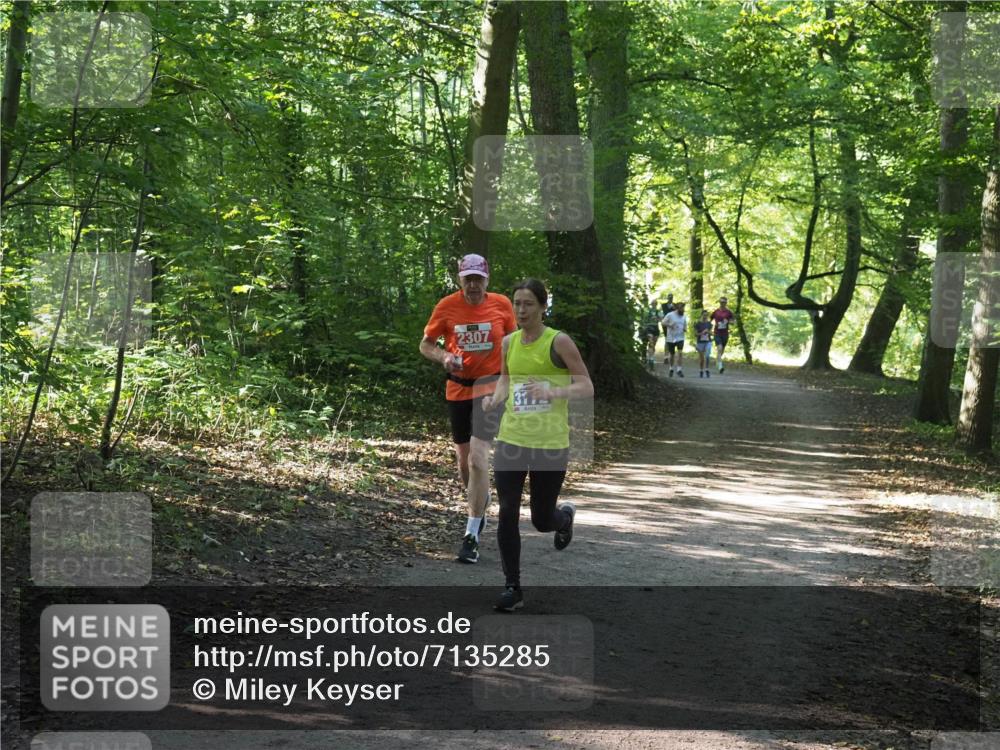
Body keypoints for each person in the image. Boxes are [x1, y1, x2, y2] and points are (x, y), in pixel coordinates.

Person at [482, 279, 594, 611]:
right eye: (517, 303)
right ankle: (512, 586)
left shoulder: (558, 342)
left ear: (544, 307)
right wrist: (493, 400)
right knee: (507, 512)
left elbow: (586, 386)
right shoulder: (508, 343)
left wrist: (552, 392)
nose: (521, 310)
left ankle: (564, 519)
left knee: (541, 519)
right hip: (512, 439)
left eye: (528, 303)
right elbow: (506, 379)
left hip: (549, 442)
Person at [420, 254, 517, 564]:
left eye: (479, 279)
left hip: (491, 389)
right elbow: (426, 344)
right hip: (458, 388)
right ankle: (479, 503)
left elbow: (516, 342)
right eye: (468, 279)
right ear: (459, 280)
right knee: (464, 462)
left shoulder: (502, 304)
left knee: (478, 457)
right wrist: (444, 358)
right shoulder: (446, 306)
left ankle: (471, 535)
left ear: (487, 279)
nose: (473, 284)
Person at [710, 296, 736, 374]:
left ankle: (718, 361)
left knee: (722, 350)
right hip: (717, 333)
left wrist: (728, 321)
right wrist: (709, 330)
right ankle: (720, 366)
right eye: (721, 302)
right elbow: (709, 320)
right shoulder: (716, 312)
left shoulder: (729, 312)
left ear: (726, 303)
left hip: (725, 333)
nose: (722, 303)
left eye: (724, 302)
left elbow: (733, 322)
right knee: (719, 349)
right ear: (719, 302)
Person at [661, 301, 687, 377]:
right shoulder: (670, 315)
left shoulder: (684, 316)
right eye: (682, 308)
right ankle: (671, 368)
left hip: (680, 337)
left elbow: (685, 325)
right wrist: (670, 325)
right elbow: (663, 323)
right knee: (672, 355)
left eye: (683, 307)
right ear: (678, 308)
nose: (683, 309)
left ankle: (679, 369)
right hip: (671, 338)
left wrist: (685, 329)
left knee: (680, 353)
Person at [640, 299, 661, 371]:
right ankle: (650, 360)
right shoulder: (647, 311)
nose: (654, 305)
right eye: (653, 303)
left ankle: (650, 356)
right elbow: (643, 319)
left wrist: (657, 318)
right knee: (651, 343)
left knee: (653, 345)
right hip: (649, 328)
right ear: (651, 304)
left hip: (656, 328)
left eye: (655, 303)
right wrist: (643, 327)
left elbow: (662, 319)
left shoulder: (658, 311)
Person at [694, 310, 713, 378]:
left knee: (707, 355)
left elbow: (712, 333)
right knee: (702, 358)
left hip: (708, 341)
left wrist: (708, 332)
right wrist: (702, 333)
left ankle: (707, 369)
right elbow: (695, 334)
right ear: (701, 315)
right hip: (700, 342)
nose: (705, 316)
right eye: (704, 315)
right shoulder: (697, 324)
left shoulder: (709, 324)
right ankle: (701, 370)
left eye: (706, 315)